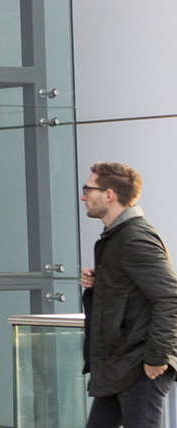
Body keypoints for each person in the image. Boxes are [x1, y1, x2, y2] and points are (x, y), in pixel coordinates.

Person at [80, 162, 177, 428]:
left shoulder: (135, 238)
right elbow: (131, 292)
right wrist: (99, 284)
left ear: (109, 195)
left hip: (140, 366)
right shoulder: (117, 237)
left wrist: (157, 357)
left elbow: (170, 297)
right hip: (117, 365)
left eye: (88, 189)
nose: (83, 197)